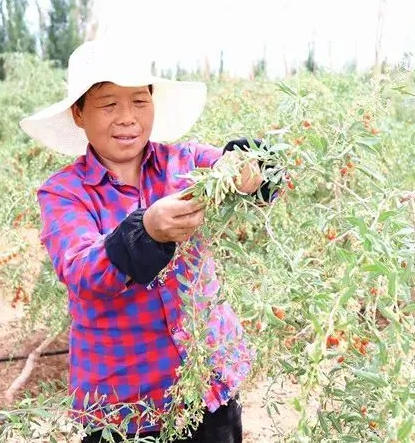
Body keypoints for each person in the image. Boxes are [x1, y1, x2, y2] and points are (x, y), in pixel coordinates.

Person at [19, 39, 275, 443]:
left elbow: (245, 169)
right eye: (108, 104)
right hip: (124, 409)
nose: (127, 118)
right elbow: (82, 273)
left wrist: (250, 168)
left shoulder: (185, 163)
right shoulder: (65, 192)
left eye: (139, 101)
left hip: (207, 391)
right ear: (79, 113)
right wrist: (146, 231)